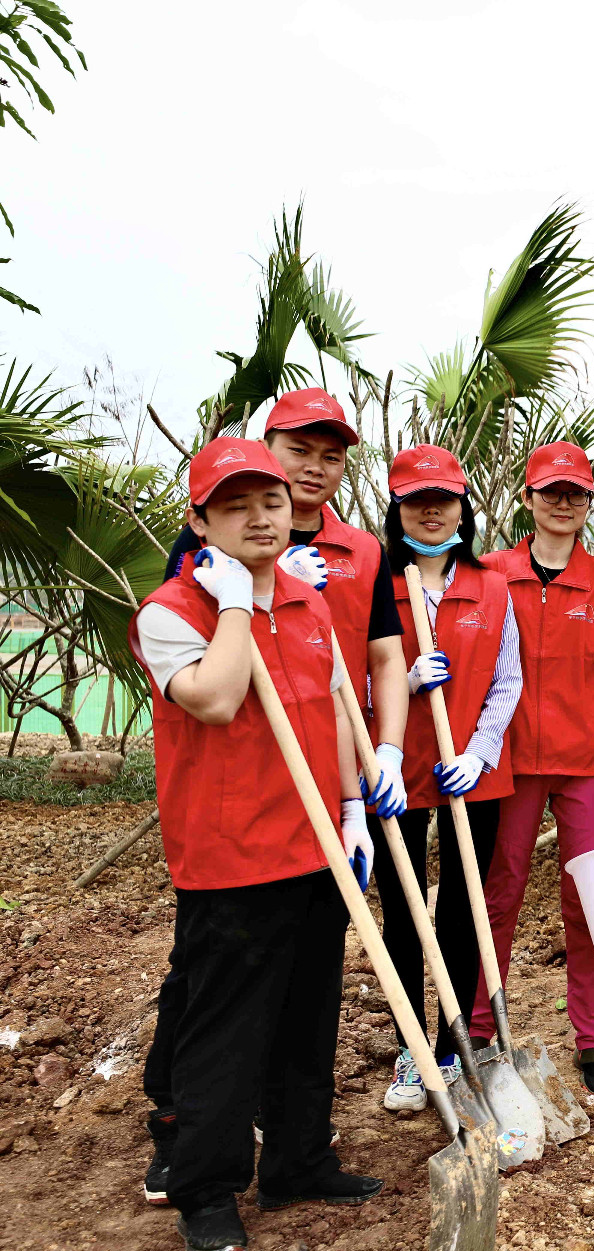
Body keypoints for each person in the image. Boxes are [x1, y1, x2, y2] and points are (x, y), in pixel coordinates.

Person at [144, 390, 409, 1186]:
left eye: (272, 501)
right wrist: (236, 601)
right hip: (230, 849)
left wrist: (354, 807)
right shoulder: (174, 605)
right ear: (201, 520)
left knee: (307, 1015)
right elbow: (218, 698)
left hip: (314, 837)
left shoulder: (310, 599)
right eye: (238, 505)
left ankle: (300, 1157)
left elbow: (330, 708)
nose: (263, 516)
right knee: (224, 1028)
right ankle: (204, 1183)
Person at [476, 442, 594, 1099]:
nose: (564, 503)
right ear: (527, 498)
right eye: (552, 492)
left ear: (588, 502)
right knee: (499, 889)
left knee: (588, 898)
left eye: (575, 494)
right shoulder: (489, 573)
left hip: (586, 762)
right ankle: (481, 1029)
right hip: (508, 760)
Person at [369, 445, 523, 1114]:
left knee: (464, 912)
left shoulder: (491, 586)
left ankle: (451, 1047)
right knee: (404, 910)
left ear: (464, 507)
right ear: (397, 508)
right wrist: (399, 687)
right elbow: (352, 680)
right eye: (416, 500)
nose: (432, 511)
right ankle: (410, 1050)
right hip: (395, 769)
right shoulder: (380, 586)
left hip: (474, 774)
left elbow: (508, 678)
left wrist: (481, 751)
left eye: (445, 499)